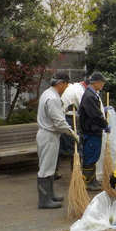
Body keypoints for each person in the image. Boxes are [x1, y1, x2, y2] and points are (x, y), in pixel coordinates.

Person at [36, 71, 79, 209]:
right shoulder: (53, 98)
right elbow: (59, 122)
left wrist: (66, 109)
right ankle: (44, 200)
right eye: (66, 84)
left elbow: (55, 113)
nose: (67, 87)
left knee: (50, 166)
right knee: (46, 167)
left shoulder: (48, 94)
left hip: (48, 134)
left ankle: (50, 195)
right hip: (49, 135)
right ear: (61, 83)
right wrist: (72, 133)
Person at [78, 72, 111, 191]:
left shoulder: (92, 94)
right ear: (96, 82)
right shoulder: (90, 96)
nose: (103, 84)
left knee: (94, 155)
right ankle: (88, 182)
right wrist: (105, 124)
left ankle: (92, 179)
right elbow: (95, 115)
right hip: (91, 131)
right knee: (90, 155)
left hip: (93, 130)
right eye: (102, 82)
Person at [56, 77, 88, 178]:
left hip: (63, 117)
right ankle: (76, 174)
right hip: (70, 118)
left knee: (60, 148)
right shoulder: (79, 90)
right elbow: (84, 106)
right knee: (75, 146)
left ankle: (53, 172)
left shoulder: (72, 87)